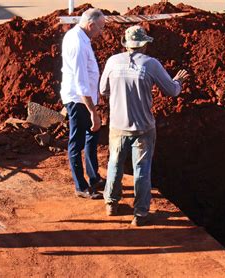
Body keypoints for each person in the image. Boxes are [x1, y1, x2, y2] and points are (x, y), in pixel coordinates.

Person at [99, 25, 189, 226]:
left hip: (117, 125)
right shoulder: (151, 64)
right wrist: (178, 81)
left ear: (126, 44)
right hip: (143, 128)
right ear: (144, 45)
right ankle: (140, 214)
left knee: (114, 163)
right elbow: (172, 91)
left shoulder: (113, 61)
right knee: (141, 169)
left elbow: (103, 90)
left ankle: (111, 205)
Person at [60, 8, 106, 199]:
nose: (102, 32)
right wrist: (93, 111)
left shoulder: (79, 37)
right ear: (91, 25)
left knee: (91, 136)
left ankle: (94, 178)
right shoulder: (78, 43)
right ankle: (81, 186)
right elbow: (80, 82)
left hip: (85, 99)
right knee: (77, 141)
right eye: (101, 28)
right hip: (78, 100)